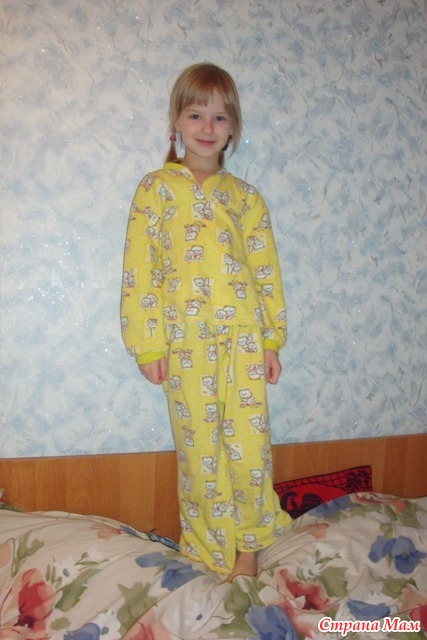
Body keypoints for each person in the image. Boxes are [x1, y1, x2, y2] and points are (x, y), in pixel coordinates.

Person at [120, 62, 291, 581]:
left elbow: (265, 272)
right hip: (184, 343)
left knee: (249, 449)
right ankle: (205, 549)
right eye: (196, 114)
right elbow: (140, 270)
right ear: (176, 121)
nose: (207, 127)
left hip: (243, 341)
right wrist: (148, 345)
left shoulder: (246, 199)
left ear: (233, 127)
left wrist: (271, 340)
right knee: (200, 451)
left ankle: (249, 545)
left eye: (219, 117)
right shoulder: (155, 190)